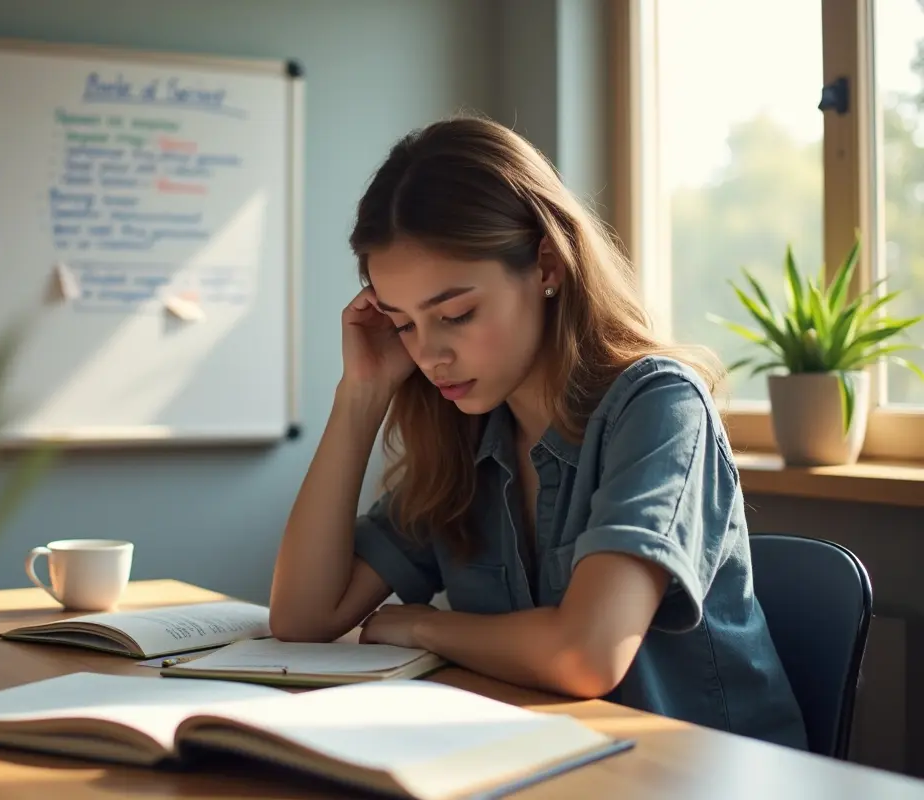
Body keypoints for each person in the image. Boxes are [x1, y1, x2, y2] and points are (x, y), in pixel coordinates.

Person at [268, 116, 808, 749]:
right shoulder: (464, 436)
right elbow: (302, 618)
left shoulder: (660, 406)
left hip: (700, 776)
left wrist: (423, 627)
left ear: (547, 265)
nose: (430, 354)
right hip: (542, 761)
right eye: (403, 324)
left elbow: (587, 655)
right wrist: (360, 396)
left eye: (455, 314)